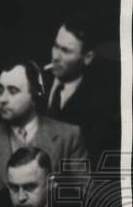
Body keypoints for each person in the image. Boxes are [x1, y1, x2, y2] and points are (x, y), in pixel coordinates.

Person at [0, 58, 88, 206]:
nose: (2, 99)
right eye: (0, 90)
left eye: (13, 91)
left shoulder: (68, 136)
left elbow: (85, 195)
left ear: (35, 94)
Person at [44, 16, 119, 164]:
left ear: (88, 57)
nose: (55, 57)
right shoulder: (34, 80)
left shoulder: (98, 105)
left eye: (65, 51)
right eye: (55, 46)